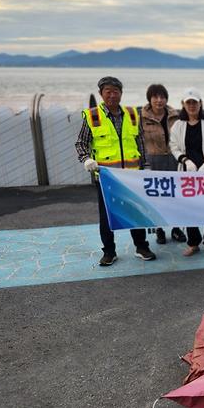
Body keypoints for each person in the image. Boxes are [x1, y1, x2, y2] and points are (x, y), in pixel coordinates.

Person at [75, 76, 156, 266]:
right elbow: (81, 143)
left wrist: (146, 166)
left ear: (121, 93)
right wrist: (86, 159)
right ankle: (109, 252)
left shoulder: (132, 114)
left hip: (131, 175)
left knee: (136, 212)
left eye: (115, 91)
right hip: (106, 177)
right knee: (107, 216)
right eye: (108, 91)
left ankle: (141, 247)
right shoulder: (93, 116)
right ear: (101, 94)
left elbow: (140, 142)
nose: (112, 95)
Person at [169, 88, 204, 257]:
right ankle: (193, 243)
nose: (192, 105)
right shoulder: (178, 125)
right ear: (183, 105)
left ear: (200, 104)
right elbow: (174, 147)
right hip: (187, 173)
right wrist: (186, 161)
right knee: (188, 208)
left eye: (195, 102)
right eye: (188, 102)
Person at [140, 83, 186, 245]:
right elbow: (139, 141)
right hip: (154, 161)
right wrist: (145, 163)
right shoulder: (142, 117)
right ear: (150, 99)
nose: (159, 100)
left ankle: (175, 228)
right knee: (156, 197)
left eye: (162, 97)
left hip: (174, 159)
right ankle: (159, 229)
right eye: (155, 97)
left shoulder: (175, 115)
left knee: (175, 196)